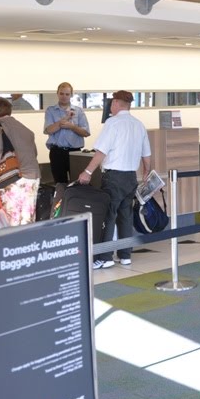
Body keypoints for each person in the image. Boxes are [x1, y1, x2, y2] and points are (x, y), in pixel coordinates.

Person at [77, 90, 151, 269]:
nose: (111, 106)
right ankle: (125, 255)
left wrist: (87, 171)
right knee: (125, 216)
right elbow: (146, 154)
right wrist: (146, 172)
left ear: (117, 103)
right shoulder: (139, 124)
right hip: (130, 177)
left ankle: (105, 257)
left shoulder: (112, 123)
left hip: (113, 177)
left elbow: (102, 151)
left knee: (108, 217)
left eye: (112, 102)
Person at [0, 96, 40, 226]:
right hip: (32, 176)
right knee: (27, 216)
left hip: (13, 178)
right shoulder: (26, 130)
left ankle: (13, 245)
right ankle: (28, 244)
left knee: (12, 218)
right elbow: (35, 153)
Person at [43, 82, 90, 183]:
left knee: (77, 183)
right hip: (57, 152)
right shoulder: (50, 111)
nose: (64, 96)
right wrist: (61, 122)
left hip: (75, 152)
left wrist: (72, 127)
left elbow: (86, 133)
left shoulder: (78, 111)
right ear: (57, 94)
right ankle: (60, 199)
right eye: (62, 93)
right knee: (60, 183)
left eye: (67, 94)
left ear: (71, 95)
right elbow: (48, 130)